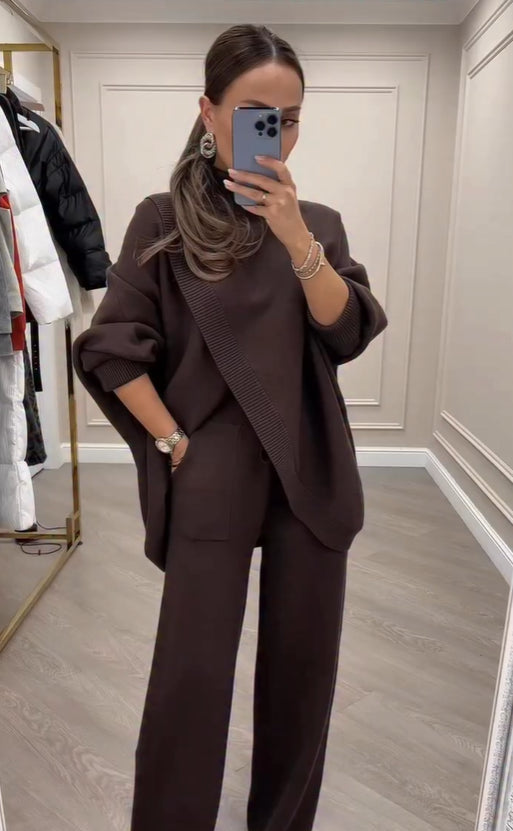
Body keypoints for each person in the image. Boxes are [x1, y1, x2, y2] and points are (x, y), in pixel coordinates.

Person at [73, 23, 387, 831]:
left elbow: (347, 331)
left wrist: (296, 238)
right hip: (210, 469)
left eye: (287, 120)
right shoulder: (161, 220)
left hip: (309, 468)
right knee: (191, 676)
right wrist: (173, 441)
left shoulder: (317, 223)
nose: (272, 135)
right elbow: (112, 349)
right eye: (255, 116)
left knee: (302, 677)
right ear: (208, 112)